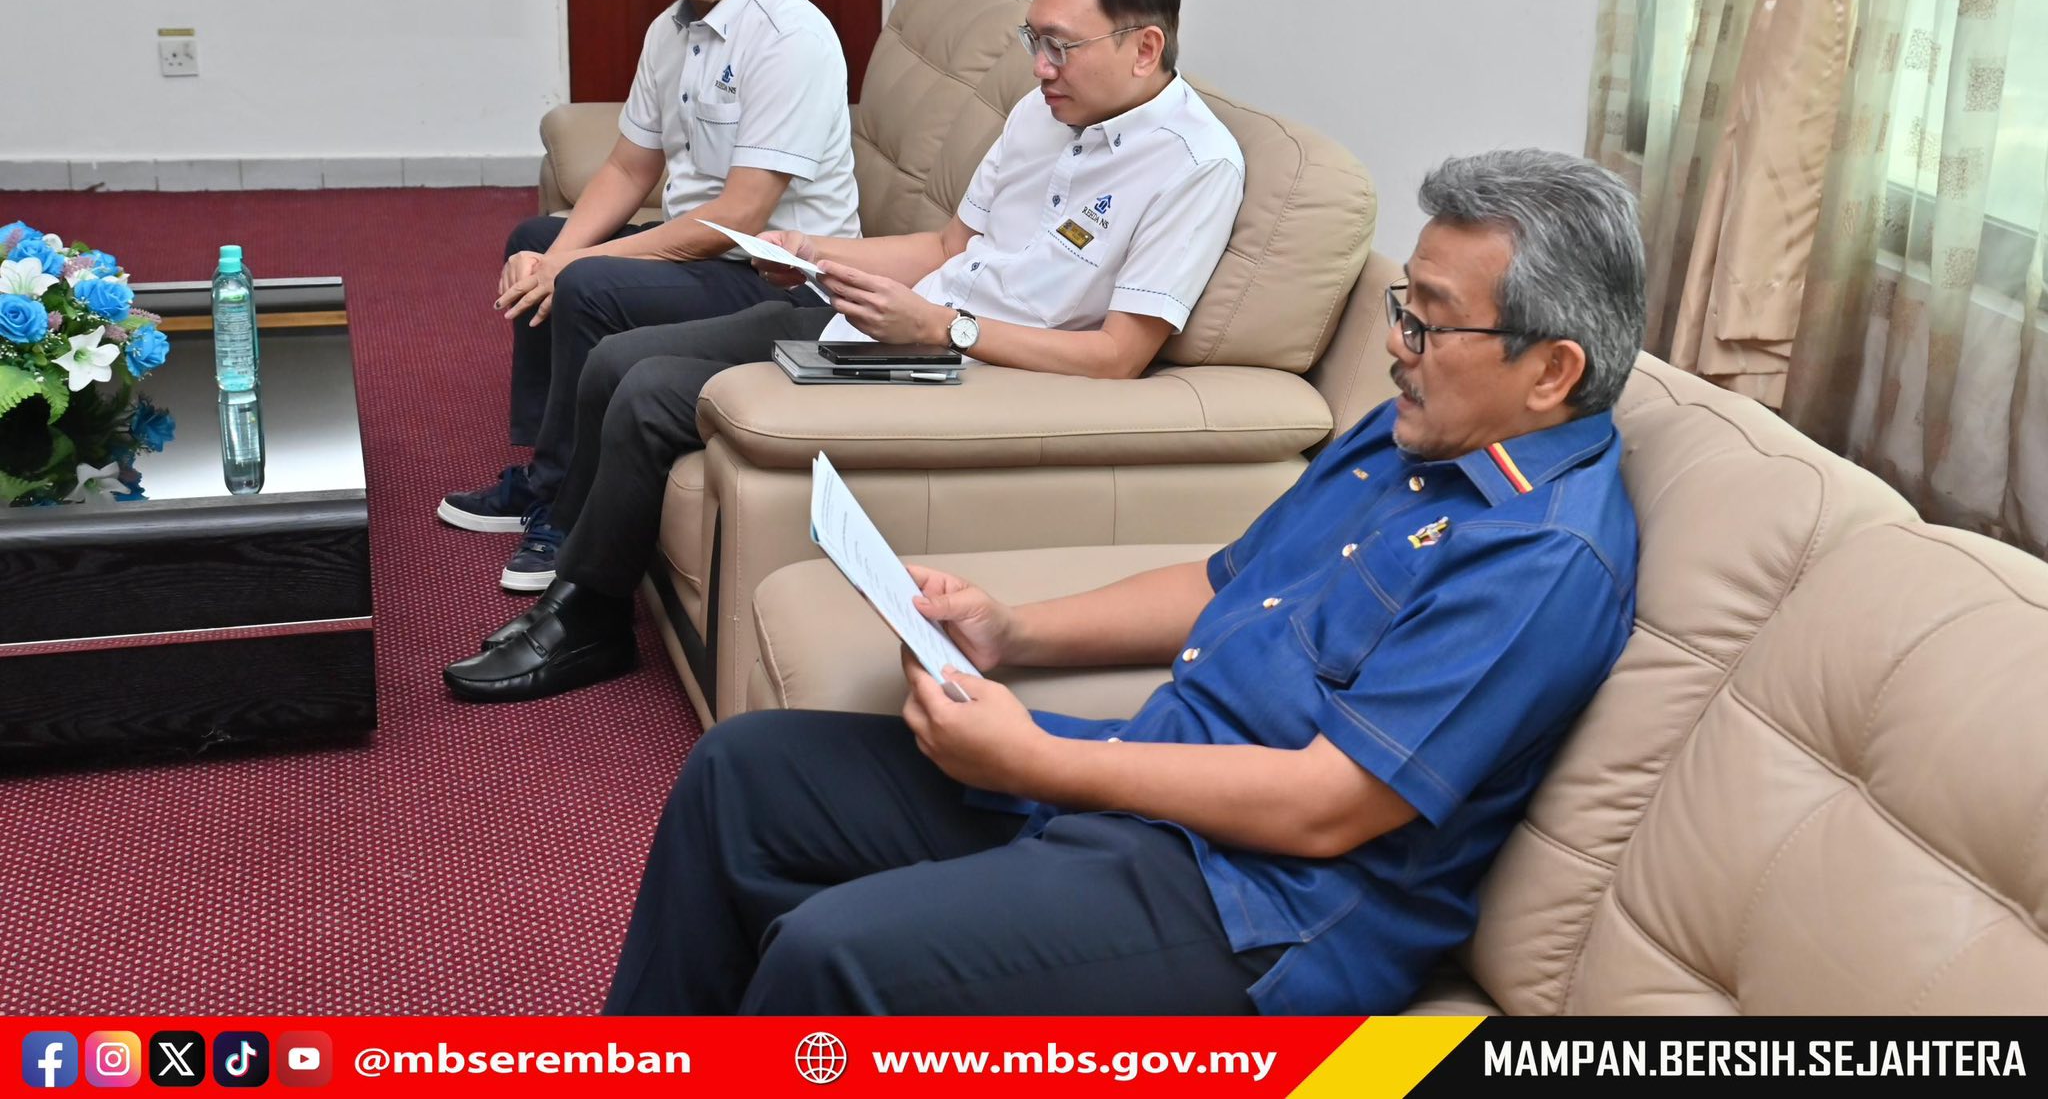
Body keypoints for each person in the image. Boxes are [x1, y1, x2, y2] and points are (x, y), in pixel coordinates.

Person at [601, 149, 1648, 1016]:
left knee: (834, 954)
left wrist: (1041, 760)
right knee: (742, 775)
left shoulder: (1541, 554)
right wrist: (1013, 632)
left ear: (1551, 370)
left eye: (1428, 322)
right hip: (1151, 777)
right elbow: (1224, 581)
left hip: (1257, 910)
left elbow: (1327, 808)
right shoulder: (1410, 434)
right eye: (1400, 304)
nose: (1393, 344)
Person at [443, 0, 1246, 702]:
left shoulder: (1195, 165)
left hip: (962, 369)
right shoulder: (1043, 111)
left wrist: (943, 330)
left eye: (1060, 46)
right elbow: (947, 247)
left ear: (1145, 47)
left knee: (651, 392)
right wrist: (811, 252)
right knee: (617, 359)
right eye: (1033, 39)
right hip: (890, 323)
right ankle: (574, 584)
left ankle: (586, 622)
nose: (1040, 67)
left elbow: (1118, 356)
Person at [436, 0, 860, 592]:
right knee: (535, 240)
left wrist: (574, 266)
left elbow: (741, 213)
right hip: (707, 256)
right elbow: (631, 167)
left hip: (781, 279)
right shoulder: (670, 31)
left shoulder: (789, 38)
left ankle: (568, 512)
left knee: (583, 280)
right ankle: (545, 472)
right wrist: (553, 255)